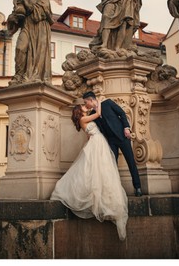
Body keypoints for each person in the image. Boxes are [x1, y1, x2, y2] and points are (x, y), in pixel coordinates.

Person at [50, 100, 128, 241]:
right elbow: (98, 114)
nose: (84, 107)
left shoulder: (83, 120)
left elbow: (88, 134)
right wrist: (97, 103)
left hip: (97, 142)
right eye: (82, 106)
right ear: (79, 111)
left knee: (100, 169)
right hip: (97, 142)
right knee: (95, 169)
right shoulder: (83, 118)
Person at [82, 91, 143, 197]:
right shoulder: (92, 114)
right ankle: (114, 191)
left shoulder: (108, 103)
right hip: (110, 141)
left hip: (122, 137)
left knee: (131, 162)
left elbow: (122, 113)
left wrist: (126, 128)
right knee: (111, 165)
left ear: (91, 100)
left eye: (85, 102)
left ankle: (137, 187)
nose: (85, 104)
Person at [5, 0, 53, 86]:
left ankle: (36, 75)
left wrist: (26, 5)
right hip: (26, 27)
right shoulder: (21, 0)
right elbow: (14, 23)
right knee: (20, 48)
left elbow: (42, 13)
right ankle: (19, 75)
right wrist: (12, 19)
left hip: (40, 28)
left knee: (39, 53)